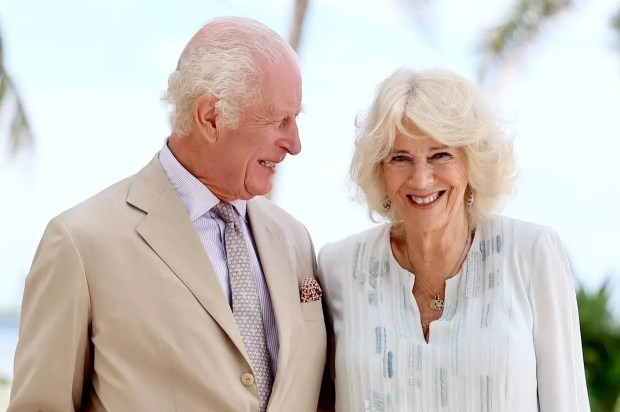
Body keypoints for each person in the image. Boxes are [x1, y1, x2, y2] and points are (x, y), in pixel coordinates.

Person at [8, 16, 326, 412]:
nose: (295, 144)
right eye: (279, 120)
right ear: (210, 117)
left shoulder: (294, 239)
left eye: (297, 118)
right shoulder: (80, 244)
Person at [317, 67, 590, 411]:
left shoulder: (531, 254)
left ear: (472, 161)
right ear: (380, 169)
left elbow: (568, 402)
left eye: (440, 154)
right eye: (400, 158)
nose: (421, 179)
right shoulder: (338, 267)